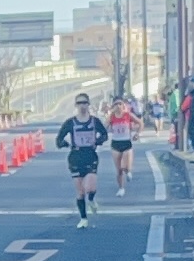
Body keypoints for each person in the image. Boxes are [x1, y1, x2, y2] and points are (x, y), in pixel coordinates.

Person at [56, 94, 109, 226]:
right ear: (76, 105)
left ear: (88, 104)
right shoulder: (70, 122)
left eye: (84, 102)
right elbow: (59, 139)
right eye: (79, 103)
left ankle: (91, 199)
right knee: (80, 191)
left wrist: (97, 141)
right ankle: (84, 218)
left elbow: (105, 134)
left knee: (90, 187)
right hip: (75, 156)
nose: (82, 105)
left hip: (90, 155)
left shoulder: (94, 121)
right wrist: (65, 144)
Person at [106, 97, 142, 195]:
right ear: (113, 106)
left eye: (120, 104)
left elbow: (140, 123)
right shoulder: (111, 116)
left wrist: (137, 134)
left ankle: (128, 171)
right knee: (119, 170)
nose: (118, 106)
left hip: (126, 143)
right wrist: (109, 117)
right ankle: (121, 188)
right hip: (116, 143)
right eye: (116, 104)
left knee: (126, 166)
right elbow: (105, 127)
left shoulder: (128, 115)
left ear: (123, 105)